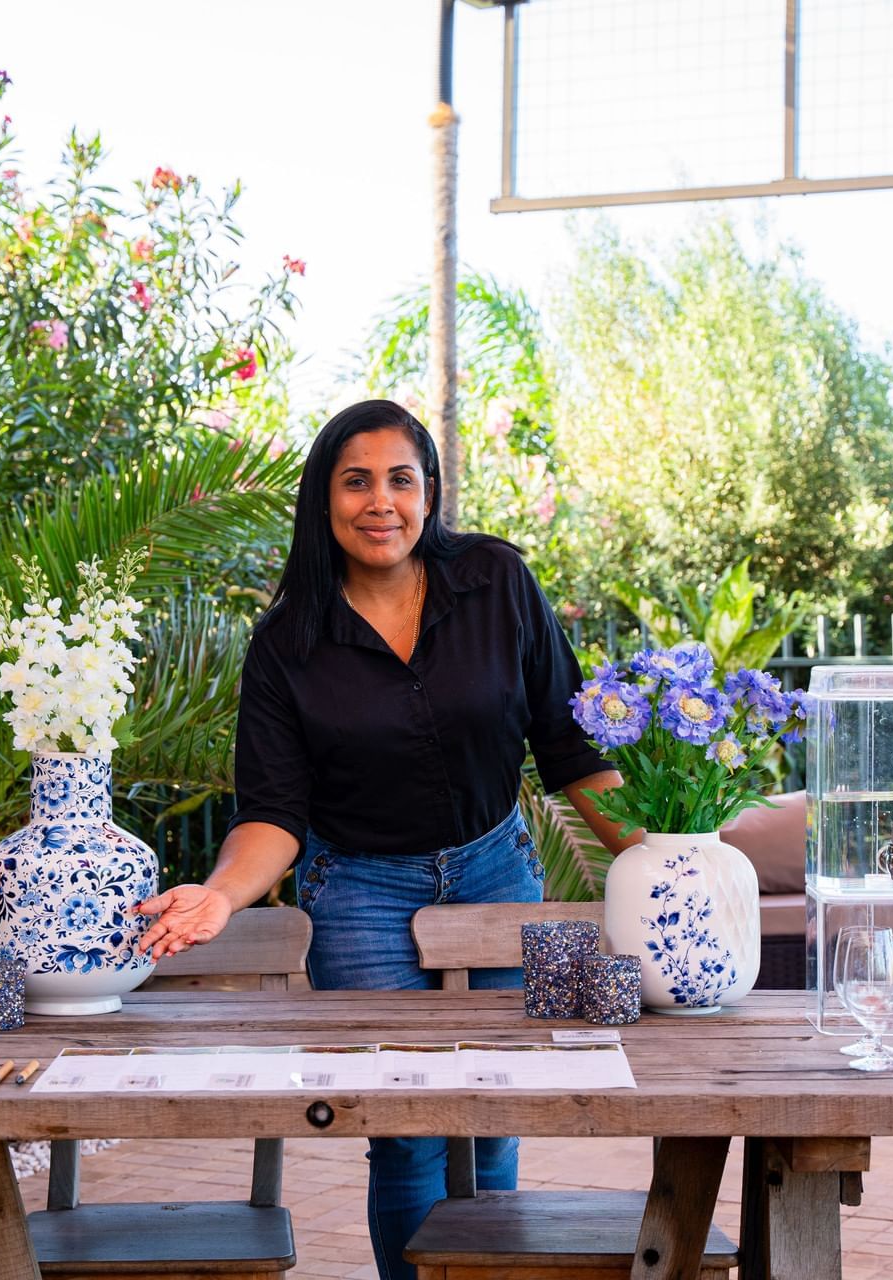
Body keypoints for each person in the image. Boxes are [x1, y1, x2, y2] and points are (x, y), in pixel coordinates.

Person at [135, 399, 632, 1280]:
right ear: (324, 501)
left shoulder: (497, 581)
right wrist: (219, 895)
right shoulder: (288, 645)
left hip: (495, 871)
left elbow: (570, 745)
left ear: (429, 493)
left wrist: (656, 858)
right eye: (355, 481)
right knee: (406, 1135)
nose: (381, 502)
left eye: (400, 480)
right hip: (361, 892)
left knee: (491, 1112)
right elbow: (274, 815)